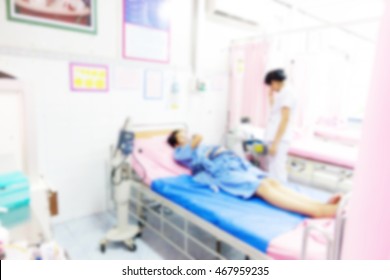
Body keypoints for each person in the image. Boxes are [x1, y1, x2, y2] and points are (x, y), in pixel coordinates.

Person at [167, 130, 340, 218]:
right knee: (262, 187)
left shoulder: (194, 145)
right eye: (182, 136)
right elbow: (198, 140)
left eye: (185, 134)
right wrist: (195, 139)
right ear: (176, 144)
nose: (186, 136)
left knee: (271, 181)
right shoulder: (180, 151)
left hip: (233, 162)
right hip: (221, 170)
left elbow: (199, 141)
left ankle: (320, 204)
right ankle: (316, 211)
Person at [264, 69, 296, 183]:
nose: (271, 89)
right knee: (273, 169)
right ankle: (274, 195)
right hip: (276, 138)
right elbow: (276, 114)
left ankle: (282, 196)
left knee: (278, 170)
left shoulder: (287, 93)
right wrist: (271, 99)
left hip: (280, 140)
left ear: (274, 82)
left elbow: (285, 119)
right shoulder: (283, 93)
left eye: (271, 85)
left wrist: (275, 143)